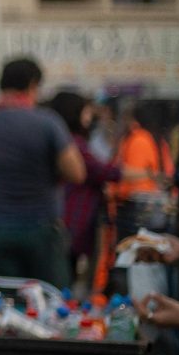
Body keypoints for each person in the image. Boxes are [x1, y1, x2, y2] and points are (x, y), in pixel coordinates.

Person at [0, 57, 85, 288]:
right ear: (33, 85)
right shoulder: (48, 124)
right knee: (50, 308)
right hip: (42, 232)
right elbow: (77, 173)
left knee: (0, 307)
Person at [48, 91, 122, 278]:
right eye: (86, 111)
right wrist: (149, 173)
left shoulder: (57, 139)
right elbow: (102, 171)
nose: (90, 116)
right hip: (70, 221)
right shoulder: (72, 143)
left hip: (60, 220)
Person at [114, 101, 176, 240]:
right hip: (155, 212)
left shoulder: (139, 138)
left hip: (136, 211)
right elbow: (168, 173)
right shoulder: (159, 140)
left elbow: (130, 178)